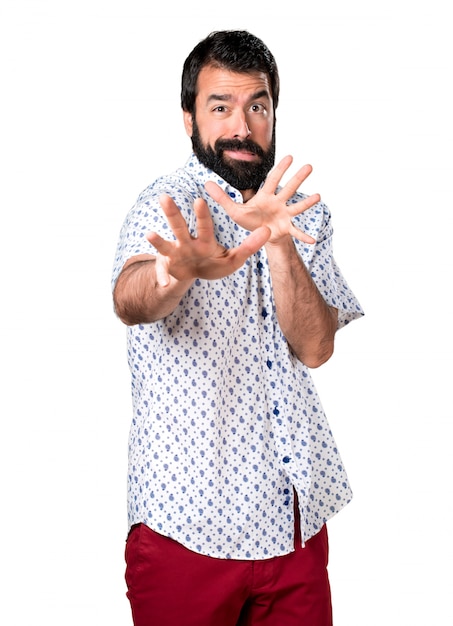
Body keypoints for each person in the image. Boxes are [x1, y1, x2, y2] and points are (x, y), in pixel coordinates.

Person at [112, 29, 364, 626]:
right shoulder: (164, 202)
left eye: (257, 106)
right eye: (220, 107)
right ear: (188, 118)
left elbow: (316, 346)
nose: (241, 126)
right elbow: (130, 299)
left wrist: (278, 244)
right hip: (185, 528)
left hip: (292, 523)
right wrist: (178, 270)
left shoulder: (303, 211)